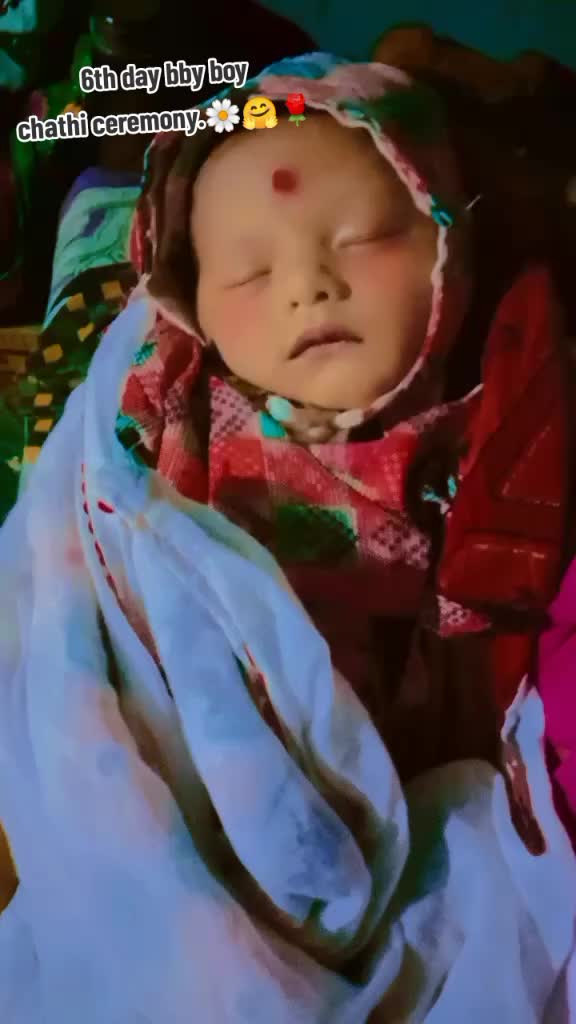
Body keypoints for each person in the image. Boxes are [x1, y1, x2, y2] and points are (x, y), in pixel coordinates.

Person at [0, 52, 575, 1023]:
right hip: (226, 763)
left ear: (451, 244)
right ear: (186, 296)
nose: (309, 286)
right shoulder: (175, 404)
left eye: (364, 238)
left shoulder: (491, 422)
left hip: (409, 765)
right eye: (251, 271)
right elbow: (102, 539)